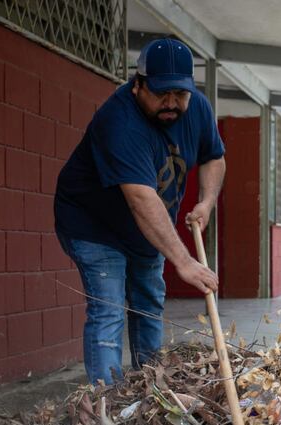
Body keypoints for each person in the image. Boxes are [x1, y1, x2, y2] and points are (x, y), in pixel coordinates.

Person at [54, 38, 225, 385]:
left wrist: (206, 202)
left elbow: (213, 157)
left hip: (145, 227)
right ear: (137, 85)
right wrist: (184, 260)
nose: (172, 104)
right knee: (110, 309)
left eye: (180, 94)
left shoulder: (198, 109)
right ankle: (110, 402)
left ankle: (151, 391)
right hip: (93, 225)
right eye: (162, 93)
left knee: (149, 303)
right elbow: (141, 199)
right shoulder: (119, 121)